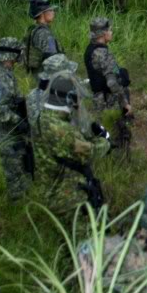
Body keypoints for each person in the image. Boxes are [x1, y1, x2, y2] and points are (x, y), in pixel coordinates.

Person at [29, 55, 110, 218]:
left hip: (49, 185)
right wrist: (105, 141)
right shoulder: (63, 130)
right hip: (68, 197)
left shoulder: (42, 117)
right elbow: (90, 152)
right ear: (68, 98)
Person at [0, 37, 30, 200]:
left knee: (21, 165)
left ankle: (23, 197)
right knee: (14, 171)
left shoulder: (5, 73)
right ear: (11, 55)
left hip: (12, 130)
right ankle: (17, 202)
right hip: (7, 132)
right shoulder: (1, 78)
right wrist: (18, 121)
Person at [84, 17, 133, 147]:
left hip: (98, 98)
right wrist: (125, 103)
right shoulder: (102, 53)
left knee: (102, 131)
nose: (111, 33)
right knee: (114, 133)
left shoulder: (90, 49)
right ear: (103, 34)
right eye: (110, 30)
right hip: (108, 100)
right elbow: (112, 83)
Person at [24, 0, 63, 76]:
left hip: (38, 75)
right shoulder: (44, 33)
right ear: (42, 13)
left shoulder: (34, 30)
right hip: (46, 78)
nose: (53, 12)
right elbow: (53, 58)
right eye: (50, 10)